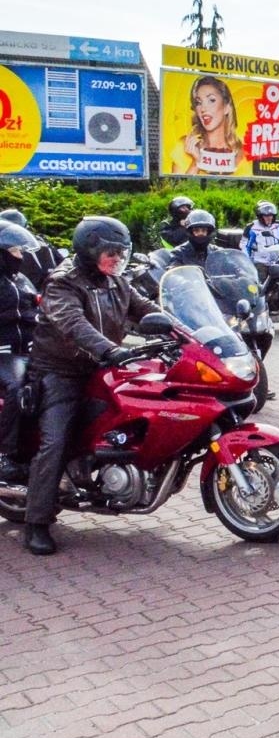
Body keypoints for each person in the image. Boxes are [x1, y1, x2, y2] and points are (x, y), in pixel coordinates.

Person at [21, 217, 160, 555]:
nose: (118, 259)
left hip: (101, 367)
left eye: (122, 253)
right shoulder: (63, 283)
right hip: (60, 372)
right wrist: (109, 349)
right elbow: (73, 324)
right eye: (111, 253)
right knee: (56, 441)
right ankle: (36, 522)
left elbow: (145, 308)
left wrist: (184, 331)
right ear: (89, 251)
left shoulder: (116, 281)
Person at [0, 221, 40, 483]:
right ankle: (4, 455)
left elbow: (36, 308)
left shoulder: (20, 280)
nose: (20, 256)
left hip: (26, 349)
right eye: (15, 251)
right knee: (17, 387)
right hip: (2, 351)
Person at [174, 75, 246, 176]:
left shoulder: (245, 152)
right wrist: (196, 163)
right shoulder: (184, 146)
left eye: (211, 100)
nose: (203, 109)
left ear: (226, 107)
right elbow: (177, 186)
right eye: (198, 103)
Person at [2, 209, 60, 290]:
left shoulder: (7, 247)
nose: (19, 255)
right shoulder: (42, 242)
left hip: (32, 289)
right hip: (48, 288)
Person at [245, 201, 279, 266]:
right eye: (266, 216)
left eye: (271, 215)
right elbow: (246, 247)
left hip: (277, 262)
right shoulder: (252, 228)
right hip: (260, 262)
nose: (269, 218)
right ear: (260, 216)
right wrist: (247, 262)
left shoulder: (278, 225)